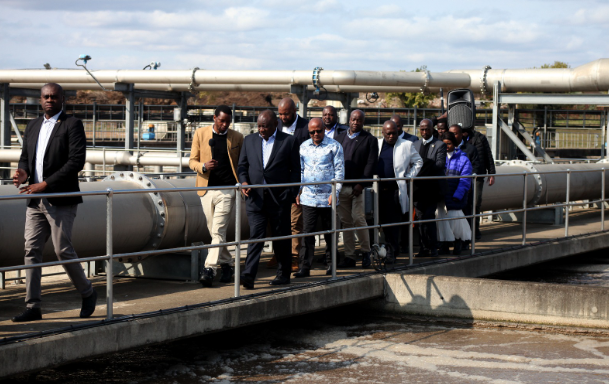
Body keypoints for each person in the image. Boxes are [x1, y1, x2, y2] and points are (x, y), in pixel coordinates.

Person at [11, 83, 96, 322]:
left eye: (54, 96)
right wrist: (22, 173)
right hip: (35, 199)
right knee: (31, 250)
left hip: (61, 198)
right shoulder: (33, 125)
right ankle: (33, 306)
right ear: (41, 99)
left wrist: (45, 184)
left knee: (62, 250)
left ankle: (88, 293)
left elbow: (76, 162)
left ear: (62, 99)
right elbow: (26, 158)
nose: (49, 100)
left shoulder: (72, 124)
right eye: (46, 97)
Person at [237, 110, 300, 289]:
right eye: (259, 126)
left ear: (275, 125)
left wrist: (291, 192)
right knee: (256, 236)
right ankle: (248, 275)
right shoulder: (249, 140)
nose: (261, 130)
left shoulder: (288, 141)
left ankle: (283, 274)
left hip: (279, 198)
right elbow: (242, 166)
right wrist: (243, 181)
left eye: (265, 126)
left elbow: (296, 170)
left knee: (281, 237)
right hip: (255, 197)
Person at [189, 105, 243, 287]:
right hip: (206, 190)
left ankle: (209, 268)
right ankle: (227, 265)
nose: (225, 124)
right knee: (215, 232)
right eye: (222, 121)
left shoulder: (237, 137)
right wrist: (203, 166)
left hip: (227, 190)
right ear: (214, 118)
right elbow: (191, 161)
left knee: (218, 230)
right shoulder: (200, 134)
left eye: (228, 121)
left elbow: (242, 164)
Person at [294, 118, 344, 277]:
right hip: (308, 197)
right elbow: (300, 171)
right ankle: (305, 267)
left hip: (327, 198)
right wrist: (298, 191)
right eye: (312, 132)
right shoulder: (303, 147)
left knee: (330, 233)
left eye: (319, 131)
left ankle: (331, 264)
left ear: (324, 129)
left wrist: (335, 193)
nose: (316, 134)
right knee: (308, 233)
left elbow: (339, 172)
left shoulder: (334, 146)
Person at [334, 109, 378, 268]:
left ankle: (366, 252)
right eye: (353, 119)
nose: (355, 122)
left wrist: (362, 183)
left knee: (358, 218)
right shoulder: (338, 138)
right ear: (349, 120)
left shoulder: (369, 140)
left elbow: (371, 163)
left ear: (363, 122)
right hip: (341, 187)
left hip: (357, 187)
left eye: (359, 120)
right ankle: (350, 256)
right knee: (346, 222)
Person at [376, 120, 422, 261]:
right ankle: (380, 250)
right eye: (388, 134)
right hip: (377, 190)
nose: (391, 136)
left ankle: (392, 251)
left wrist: (409, 176)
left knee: (392, 223)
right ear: (383, 133)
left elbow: (418, 162)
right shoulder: (377, 144)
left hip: (394, 190)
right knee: (379, 221)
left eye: (394, 133)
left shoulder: (406, 145)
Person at [276, 97, 309, 271]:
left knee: (295, 222)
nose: (283, 117)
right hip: (279, 183)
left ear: (294, 111)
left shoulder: (305, 127)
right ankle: (279, 254)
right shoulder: (277, 126)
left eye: (286, 114)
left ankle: (295, 257)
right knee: (278, 221)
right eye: (280, 114)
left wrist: (300, 186)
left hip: (297, 181)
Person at [413, 118, 447, 257]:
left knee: (429, 217)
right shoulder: (415, 145)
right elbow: (411, 164)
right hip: (418, 189)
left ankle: (433, 247)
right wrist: (426, 165)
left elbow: (439, 165)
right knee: (420, 219)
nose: (424, 131)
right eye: (422, 129)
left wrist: (421, 165)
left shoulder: (439, 145)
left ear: (432, 129)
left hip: (432, 189)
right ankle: (423, 248)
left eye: (427, 129)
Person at [436, 132, 472, 255]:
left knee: (455, 220)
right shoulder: (439, 157)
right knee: (442, 220)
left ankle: (458, 243)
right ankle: (444, 245)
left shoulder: (463, 159)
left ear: (455, 143)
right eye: (444, 144)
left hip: (455, 194)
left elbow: (465, 180)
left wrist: (458, 195)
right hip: (442, 195)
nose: (446, 146)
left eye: (449, 143)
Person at [448, 124, 481, 250]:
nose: (453, 136)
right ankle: (450, 241)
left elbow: (476, 166)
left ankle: (465, 242)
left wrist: (469, 180)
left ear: (462, 134)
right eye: (451, 133)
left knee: (466, 214)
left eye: (456, 133)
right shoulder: (443, 150)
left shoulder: (470, 149)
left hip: (464, 189)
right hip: (450, 191)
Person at [463, 126, 496, 240]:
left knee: (475, 202)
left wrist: (491, 173)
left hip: (477, 175)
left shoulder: (480, 138)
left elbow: (488, 155)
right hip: (462, 175)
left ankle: (475, 229)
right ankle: (465, 231)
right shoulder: (455, 137)